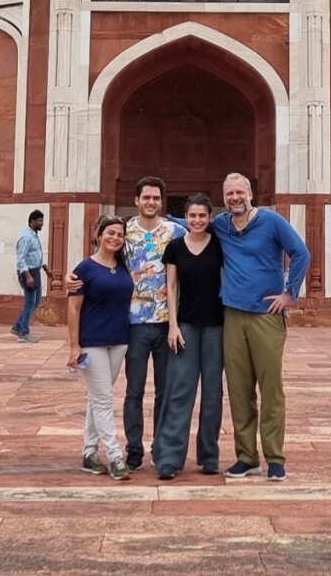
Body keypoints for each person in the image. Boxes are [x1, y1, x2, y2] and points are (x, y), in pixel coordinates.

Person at [213, 172, 309, 481]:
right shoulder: (221, 225)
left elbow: (301, 253)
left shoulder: (270, 220)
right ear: (224, 198)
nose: (235, 198)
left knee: (271, 389)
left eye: (239, 192)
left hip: (266, 316)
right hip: (233, 315)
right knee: (239, 390)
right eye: (229, 194)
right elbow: (190, 223)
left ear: (250, 194)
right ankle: (246, 457)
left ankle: (275, 457)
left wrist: (290, 294)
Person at [155, 193, 225, 480]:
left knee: (212, 394)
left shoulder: (220, 246)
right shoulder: (175, 247)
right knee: (180, 391)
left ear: (209, 217)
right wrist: (172, 325)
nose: (197, 220)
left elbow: (226, 281)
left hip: (216, 326)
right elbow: (171, 287)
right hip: (185, 325)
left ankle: (208, 455)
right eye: (193, 216)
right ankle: (170, 458)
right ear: (186, 217)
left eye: (202, 216)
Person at [119, 176, 183, 471]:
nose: (151, 202)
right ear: (137, 200)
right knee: (134, 391)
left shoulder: (175, 231)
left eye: (156, 198)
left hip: (166, 323)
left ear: (162, 201)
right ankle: (134, 449)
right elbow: (102, 260)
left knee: (164, 390)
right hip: (133, 324)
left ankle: (161, 447)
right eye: (146, 197)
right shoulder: (123, 231)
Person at [68, 215, 135, 479]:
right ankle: (115, 455)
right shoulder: (85, 268)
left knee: (98, 397)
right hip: (92, 343)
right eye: (110, 233)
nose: (115, 238)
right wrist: (74, 347)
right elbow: (73, 308)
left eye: (120, 234)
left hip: (118, 341)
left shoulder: (122, 266)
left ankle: (89, 452)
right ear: (98, 234)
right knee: (104, 399)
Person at [11, 209, 48, 343]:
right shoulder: (26, 237)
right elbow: (21, 259)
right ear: (32, 221)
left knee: (35, 301)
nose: (41, 224)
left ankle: (17, 326)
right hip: (28, 273)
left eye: (42, 221)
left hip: (35, 271)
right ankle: (23, 333)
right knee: (29, 302)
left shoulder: (33, 234)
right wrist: (28, 276)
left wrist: (44, 268)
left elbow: (35, 254)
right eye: (39, 221)